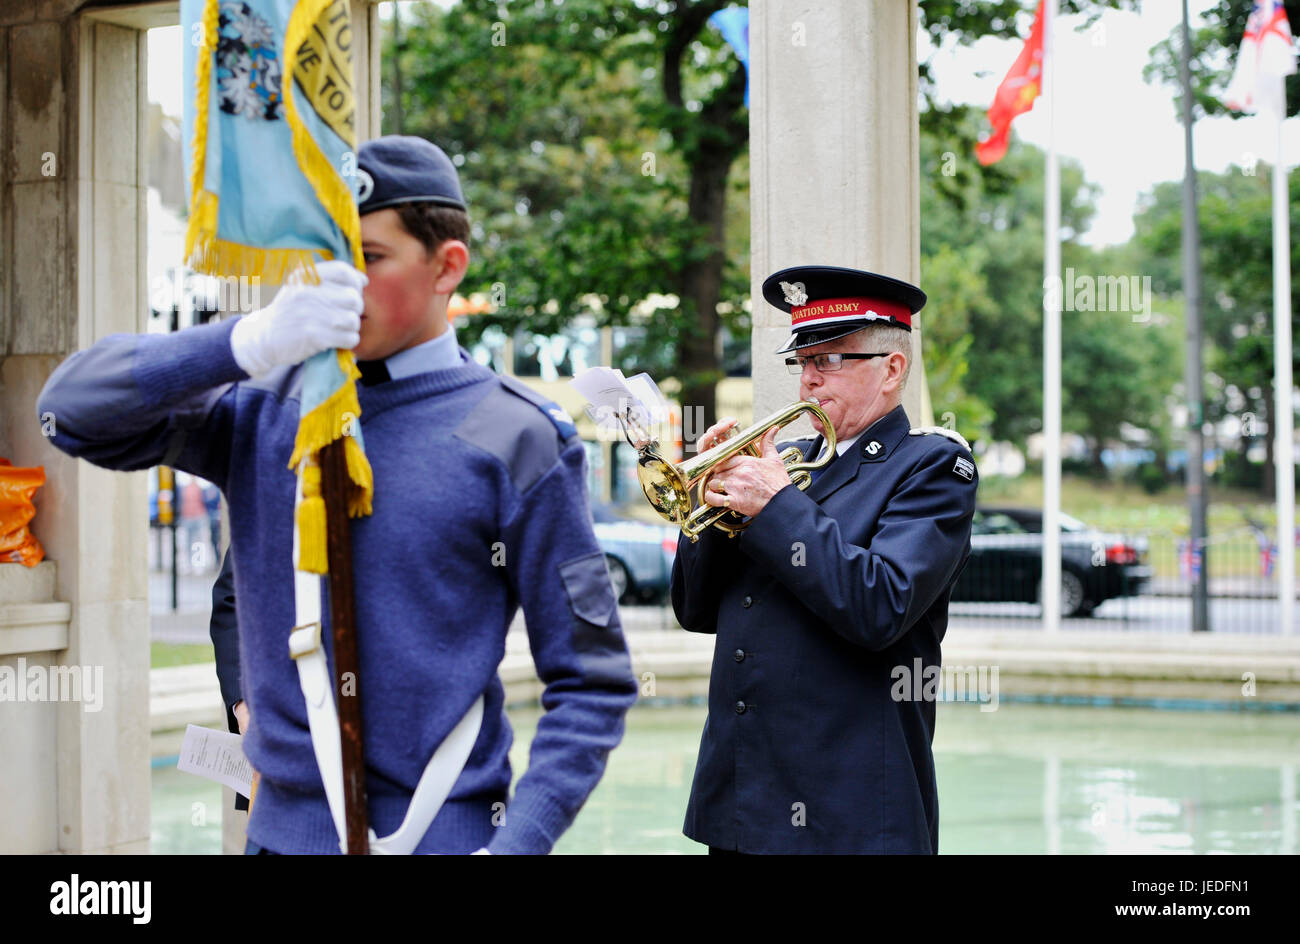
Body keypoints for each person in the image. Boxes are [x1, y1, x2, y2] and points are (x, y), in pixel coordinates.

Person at [39, 135, 637, 854]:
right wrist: (247, 341)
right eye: (326, 261)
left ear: (448, 267)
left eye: (370, 258)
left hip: (447, 838)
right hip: (277, 839)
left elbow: (592, 682)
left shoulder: (519, 435)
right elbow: (69, 409)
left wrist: (515, 847)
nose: (341, 284)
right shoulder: (260, 405)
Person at [671, 265, 978, 854]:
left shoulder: (931, 467)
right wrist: (710, 503)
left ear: (892, 369)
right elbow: (696, 610)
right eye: (804, 361)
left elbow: (880, 606)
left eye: (832, 359)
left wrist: (775, 505)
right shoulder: (786, 461)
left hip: (851, 814)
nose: (810, 380)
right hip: (741, 805)